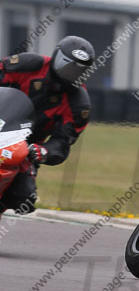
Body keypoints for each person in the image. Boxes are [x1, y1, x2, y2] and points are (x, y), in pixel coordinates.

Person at [0, 36, 95, 216]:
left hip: (23, 148)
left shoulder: (79, 104)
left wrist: (43, 151)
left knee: (24, 197)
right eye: (66, 64)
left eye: (77, 70)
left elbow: (62, 143)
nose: (69, 72)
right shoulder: (28, 64)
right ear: (55, 55)